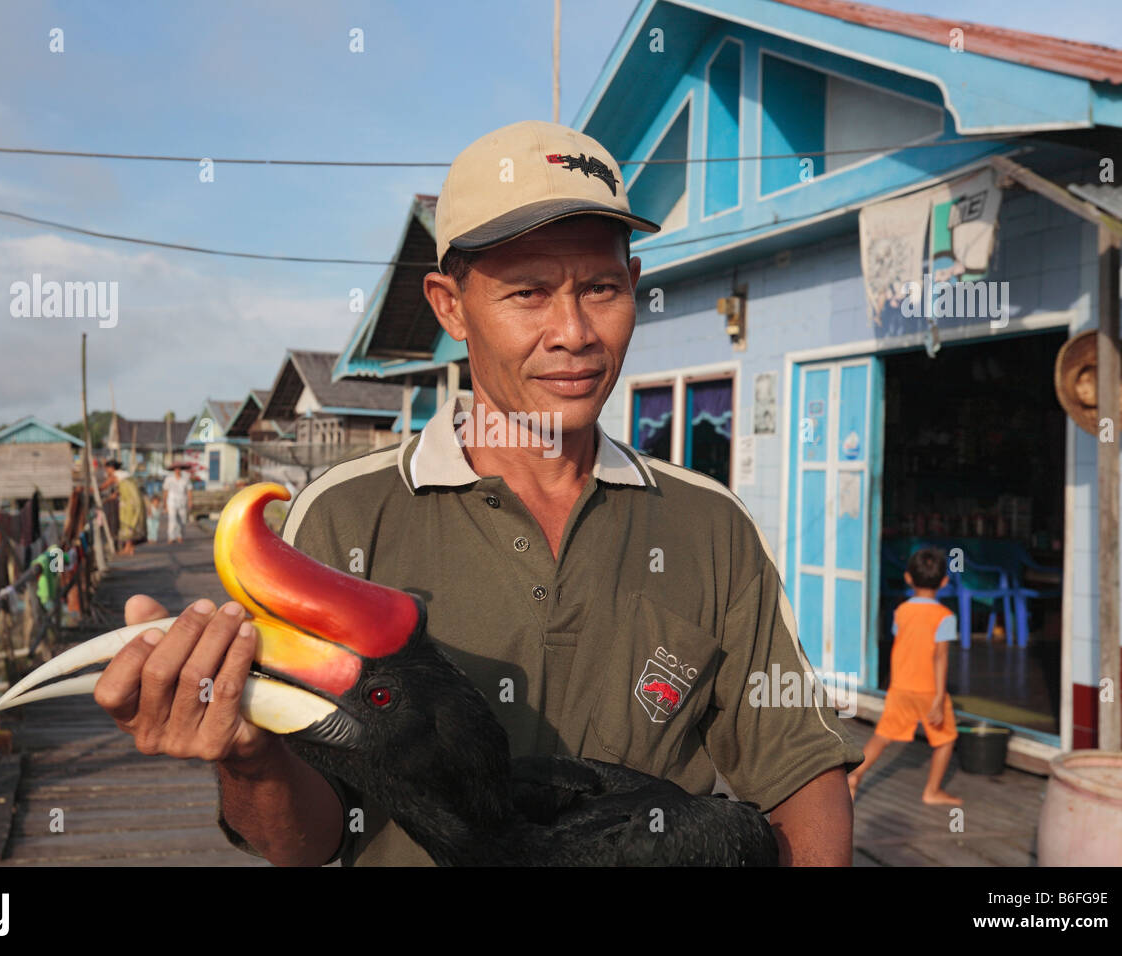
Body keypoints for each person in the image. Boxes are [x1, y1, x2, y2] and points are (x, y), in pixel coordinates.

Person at [93, 120, 862, 867]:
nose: (573, 331)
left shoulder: (708, 524)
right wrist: (249, 759)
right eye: (527, 294)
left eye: (600, 287)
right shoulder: (346, 516)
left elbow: (801, 770)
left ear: (634, 287)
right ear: (449, 306)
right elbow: (306, 841)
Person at [847, 547, 962, 805]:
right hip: (929, 690)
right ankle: (932, 791)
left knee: (883, 736)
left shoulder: (901, 611)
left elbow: (902, 644)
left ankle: (855, 776)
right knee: (946, 740)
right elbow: (940, 657)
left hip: (900, 687)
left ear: (908, 578)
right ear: (944, 582)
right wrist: (939, 697)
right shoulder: (945, 617)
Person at [101, 460, 145, 557]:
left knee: (127, 523)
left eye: (107, 469)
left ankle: (127, 548)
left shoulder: (115, 475)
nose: (106, 471)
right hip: (136, 502)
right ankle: (130, 548)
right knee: (132, 523)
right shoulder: (125, 474)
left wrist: (87, 489)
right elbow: (119, 491)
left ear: (111, 468)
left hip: (129, 503)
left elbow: (102, 487)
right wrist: (109, 498)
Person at [161, 464, 191, 544]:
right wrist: (165, 504)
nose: (177, 470)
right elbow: (165, 491)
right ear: (174, 470)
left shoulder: (185, 479)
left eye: (179, 469)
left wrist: (190, 502)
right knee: (172, 520)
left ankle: (179, 536)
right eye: (176, 469)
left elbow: (189, 491)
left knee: (182, 520)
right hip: (171, 501)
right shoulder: (169, 479)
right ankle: (171, 537)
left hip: (182, 502)